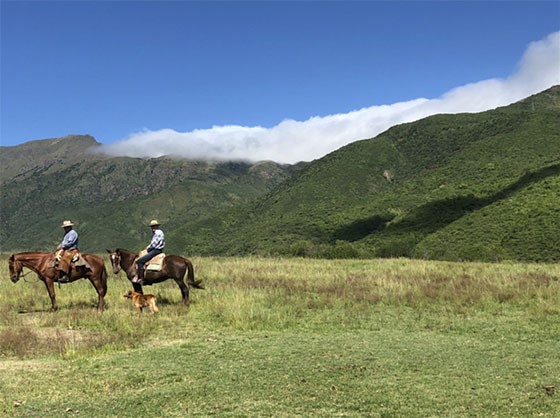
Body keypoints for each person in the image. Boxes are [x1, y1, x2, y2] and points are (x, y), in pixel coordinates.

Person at [134, 220, 165, 285]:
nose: (152, 228)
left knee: (140, 261)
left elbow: (154, 244)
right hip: (157, 249)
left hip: (156, 250)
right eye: (152, 226)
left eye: (153, 226)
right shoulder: (159, 232)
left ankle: (142, 279)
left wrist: (147, 248)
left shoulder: (157, 233)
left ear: (156, 226)